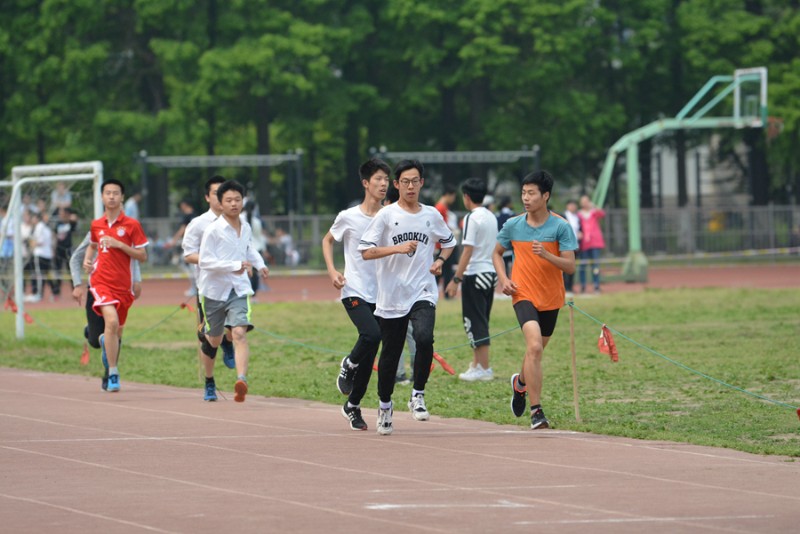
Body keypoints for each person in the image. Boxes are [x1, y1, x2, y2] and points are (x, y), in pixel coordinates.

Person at [359, 159, 456, 435]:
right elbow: (366, 251)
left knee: (425, 337)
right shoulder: (386, 216)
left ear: (422, 183)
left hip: (422, 289)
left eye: (415, 181)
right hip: (391, 295)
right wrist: (396, 249)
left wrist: (439, 260)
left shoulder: (431, 215)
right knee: (390, 354)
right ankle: (385, 405)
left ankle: (418, 394)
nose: (410, 186)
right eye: (405, 182)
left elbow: (449, 243)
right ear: (396, 184)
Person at [492, 170, 577, 429]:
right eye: (523, 193)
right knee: (535, 347)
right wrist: (504, 279)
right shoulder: (513, 225)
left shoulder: (560, 226)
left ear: (546, 196)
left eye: (531, 193)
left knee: (534, 350)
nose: (525, 198)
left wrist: (547, 255)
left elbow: (570, 266)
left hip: (551, 299)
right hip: (523, 294)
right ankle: (536, 410)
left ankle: (520, 384)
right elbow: (496, 253)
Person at [322, 157, 390, 430]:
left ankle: (353, 405)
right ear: (366, 183)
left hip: (382, 293)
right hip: (353, 288)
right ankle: (348, 364)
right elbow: (327, 240)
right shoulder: (348, 217)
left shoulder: (391, 216)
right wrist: (332, 271)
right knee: (371, 335)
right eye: (378, 179)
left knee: (372, 352)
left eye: (386, 179)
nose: (383, 184)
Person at [197, 180, 269, 403]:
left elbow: (248, 249)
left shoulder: (245, 226)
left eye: (237, 199)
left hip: (239, 289)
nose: (234, 204)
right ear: (220, 202)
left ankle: (241, 380)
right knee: (214, 341)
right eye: (228, 200)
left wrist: (260, 264)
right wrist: (233, 266)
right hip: (214, 291)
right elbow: (205, 261)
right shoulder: (213, 230)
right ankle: (209, 380)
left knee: (239, 332)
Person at [82, 179, 149, 393]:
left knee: (116, 331)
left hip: (124, 287)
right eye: (107, 193)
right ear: (102, 197)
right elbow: (92, 245)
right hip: (101, 282)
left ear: (122, 198)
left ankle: (106, 346)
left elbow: (142, 255)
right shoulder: (96, 224)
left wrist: (120, 245)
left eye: (115, 193)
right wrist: (87, 259)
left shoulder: (132, 225)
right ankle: (112, 373)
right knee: (110, 321)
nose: (111, 196)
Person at [181, 176, 238, 401]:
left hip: (235, 287)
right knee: (209, 339)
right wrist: (212, 260)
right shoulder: (198, 224)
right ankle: (209, 381)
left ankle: (228, 340)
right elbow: (188, 254)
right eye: (216, 193)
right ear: (207, 197)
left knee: (237, 329)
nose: (221, 198)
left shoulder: (238, 222)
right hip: (208, 288)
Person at [71, 231, 142, 390]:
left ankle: (110, 374)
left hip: (120, 289)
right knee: (96, 341)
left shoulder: (128, 229)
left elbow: (134, 257)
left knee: (115, 330)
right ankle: (91, 331)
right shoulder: (95, 231)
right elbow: (76, 257)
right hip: (97, 288)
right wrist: (77, 284)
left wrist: (137, 280)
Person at [445, 178, 498, 382]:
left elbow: (467, 250)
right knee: (482, 319)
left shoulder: (471, 218)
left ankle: (484, 368)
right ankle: (476, 364)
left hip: (475, 274)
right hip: (490, 273)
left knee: (474, 321)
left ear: (466, 197)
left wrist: (456, 279)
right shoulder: (491, 216)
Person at [25, 210, 56, 302]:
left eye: (33, 218)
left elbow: (39, 241)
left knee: (39, 275)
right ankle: (54, 293)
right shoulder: (46, 228)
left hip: (40, 254)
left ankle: (38, 294)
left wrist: (31, 242)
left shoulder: (39, 227)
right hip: (47, 254)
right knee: (46, 275)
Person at [577, 194, 606, 294]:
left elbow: (602, 214)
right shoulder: (579, 214)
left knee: (595, 265)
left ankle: (596, 285)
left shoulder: (594, 212)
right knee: (583, 265)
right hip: (584, 243)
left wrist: (593, 206)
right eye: (582, 201)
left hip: (595, 242)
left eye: (586, 201)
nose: (584, 203)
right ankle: (583, 286)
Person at [434, 184, 459, 296]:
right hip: (443, 245)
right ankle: (447, 293)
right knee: (445, 270)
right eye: (453, 196)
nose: (453, 200)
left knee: (442, 270)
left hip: (442, 244)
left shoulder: (441, 207)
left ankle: (445, 292)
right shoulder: (440, 208)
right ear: (449, 195)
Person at [52, 207, 79, 298]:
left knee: (71, 271)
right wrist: (54, 248)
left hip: (68, 250)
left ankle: (74, 291)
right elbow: (55, 235)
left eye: (62, 213)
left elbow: (75, 222)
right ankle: (56, 293)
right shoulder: (58, 224)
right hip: (59, 250)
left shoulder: (70, 223)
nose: (61, 215)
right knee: (58, 271)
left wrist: (72, 218)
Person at [562, 200, 581, 297]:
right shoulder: (563, 216)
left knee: (572, 267)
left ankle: (570, 286)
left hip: (575, 245)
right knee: (564, 267)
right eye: (571, 205)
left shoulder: (577, 217)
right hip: (565, 246)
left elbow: (580, 229)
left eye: (574, 205)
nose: (573, 207)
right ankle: (565, 287)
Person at [496, 196, 515, 276]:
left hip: (501, 244)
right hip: (512, 245)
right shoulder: (513, 215)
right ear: (508, 204)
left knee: (504, 266)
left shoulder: (497, 216)